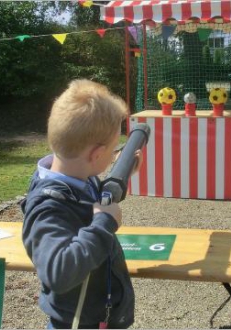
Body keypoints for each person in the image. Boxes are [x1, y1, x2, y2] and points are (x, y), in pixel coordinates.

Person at [22, 79, 141, 329]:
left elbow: (97, 202)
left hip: (97, 317)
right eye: (111, 152)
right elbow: (58, 272)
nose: (112, 157)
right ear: (96, 155)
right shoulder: (48, 206)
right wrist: (103, 224)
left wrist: (123, 177)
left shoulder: (80, 180)